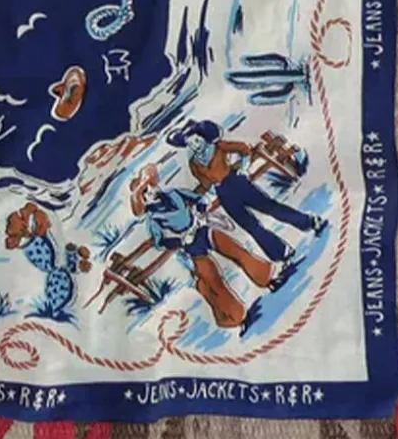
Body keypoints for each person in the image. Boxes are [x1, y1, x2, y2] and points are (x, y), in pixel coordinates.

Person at [130, 164, 287, 334]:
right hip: (190, 247)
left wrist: (200, 210)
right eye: (144, 193)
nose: (150, 193)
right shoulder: (153, 218)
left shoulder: (173, 194)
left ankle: (268, 279)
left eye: (149, 188)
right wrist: (178, 241)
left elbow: (198, 199)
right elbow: (159, 242)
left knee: (237, 251)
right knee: (214, 280)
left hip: (203, 229)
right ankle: (236, 317)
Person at [168, 120, 326, 266]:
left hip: (237, 182)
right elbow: (205, 183)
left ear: (203, 137)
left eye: (196, 140)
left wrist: (243, 169)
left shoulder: (218, 146)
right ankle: (282, 253)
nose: (194, 145)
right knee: (251, 226)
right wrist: (207, 198)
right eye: (189, 143)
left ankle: (310, 222)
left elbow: (244, 148)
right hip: (223, 194)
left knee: (271, 207)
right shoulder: (194, 164)